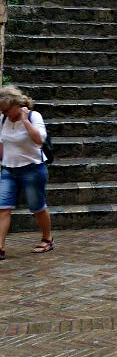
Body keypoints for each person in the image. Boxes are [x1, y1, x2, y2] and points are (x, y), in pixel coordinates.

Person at [0, 85, 53, 260]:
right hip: (9, 170)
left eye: (7, 109)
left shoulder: (33, 116)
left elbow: (38, 140)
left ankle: (47, 238)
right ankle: (0, 247)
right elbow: (2, 144)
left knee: (37, 207)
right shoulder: (2, 118)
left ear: (16, 104)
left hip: (32, 169)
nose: (5, 113)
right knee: (2, 208)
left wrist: (24, 120)